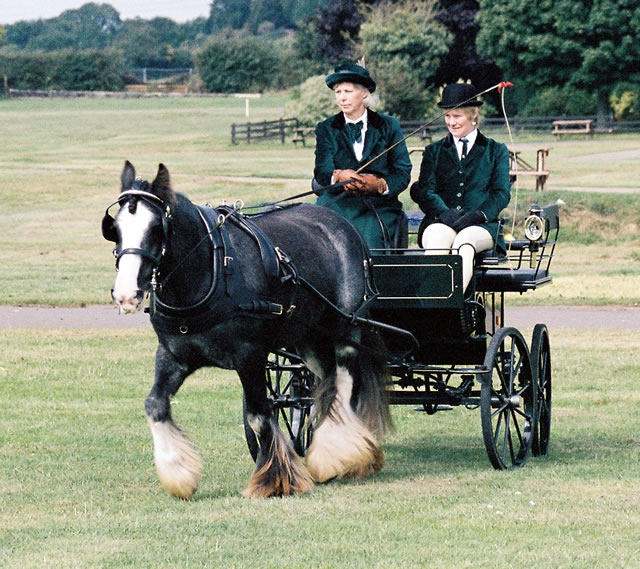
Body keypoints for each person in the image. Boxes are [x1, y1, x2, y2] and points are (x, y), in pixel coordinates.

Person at [410, 83, 511, 294]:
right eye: (447, 116)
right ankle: (432, 304)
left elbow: (500, 193)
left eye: (457, 116)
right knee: (438, 239)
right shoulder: (434, 151)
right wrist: (442, 212)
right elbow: (425, 189)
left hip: (481, 226)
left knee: (464, 243)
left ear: (473, 114)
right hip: (440, 221)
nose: (451, 122)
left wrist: (478, 215)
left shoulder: (495, 150)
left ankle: (451, 306)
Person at [313, 62, 412, 250]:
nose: (342, 98)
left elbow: (402, 172)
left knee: (369, 238)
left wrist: (380, 185)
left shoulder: (389, 125)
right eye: (338, 92)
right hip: (337, 202)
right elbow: (322, 171)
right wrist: (339, 176)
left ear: (364, 93)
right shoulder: (326, 128)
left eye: (348, 91)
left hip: (377, 206)